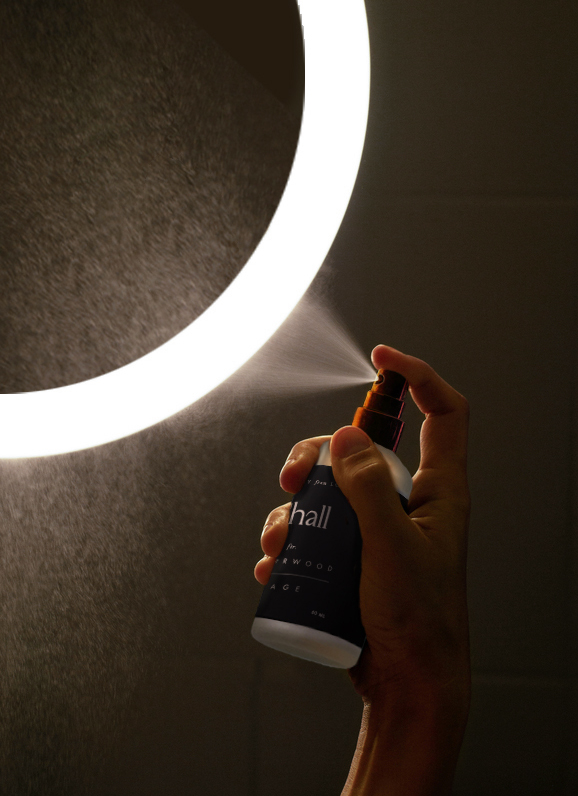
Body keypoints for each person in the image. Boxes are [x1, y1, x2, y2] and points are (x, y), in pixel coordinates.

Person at [254, 344, 471, 795]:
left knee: (309, 518)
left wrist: (411, 677)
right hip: (396, 682)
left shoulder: (382, 471)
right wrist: (411, 684)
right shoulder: (371, 469)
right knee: (308, 517)